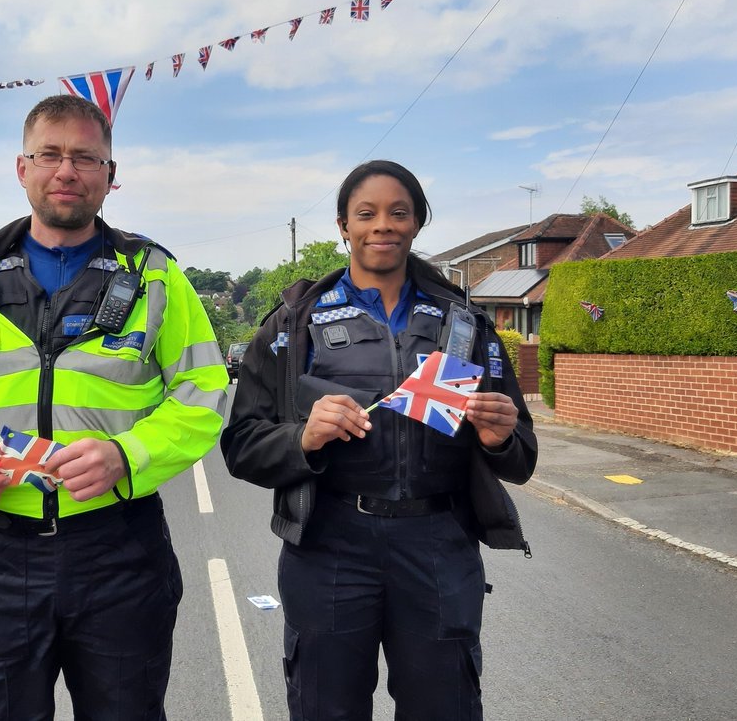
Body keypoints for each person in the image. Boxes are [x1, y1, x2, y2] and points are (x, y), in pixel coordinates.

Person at [0, 94, 229, 721]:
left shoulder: (155, 277)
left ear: (110, 174)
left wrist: (127, 455)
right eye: (49, 154)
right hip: (1, 555)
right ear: (22, 168)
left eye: (84, 157)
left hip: (120, 552)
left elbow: (202, 391)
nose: (66, 170)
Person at [221, 159, 536, 720]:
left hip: (439, 543)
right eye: (365, 214)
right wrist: (303, 439)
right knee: (326, 709)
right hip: (329, 546)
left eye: (398, 213)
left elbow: (520, 460)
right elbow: (241, 444)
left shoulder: (463, 322)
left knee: (445, 708)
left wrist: (498, 438)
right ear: (343, 225)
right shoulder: (295, 324)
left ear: (417, 223)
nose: (382, 225)